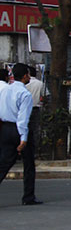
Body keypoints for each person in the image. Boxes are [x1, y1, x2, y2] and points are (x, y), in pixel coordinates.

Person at [0, 63, 42, 205]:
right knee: (28, 163)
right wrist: (23, 138)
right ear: (25, 76)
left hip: (5, 128)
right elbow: (22, 119)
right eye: (28, 75)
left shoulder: (5, 91)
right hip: (19, 130)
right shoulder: (24, 94)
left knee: (4, 163)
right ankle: (28, 196)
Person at [25, 66, 46, 160]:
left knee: (24, 129)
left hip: (24, 110)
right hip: (36, 109)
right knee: (35, 131)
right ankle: (35, 151)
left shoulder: (23, 84)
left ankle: (23, 150)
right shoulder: (40, 83)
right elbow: (46, 96)